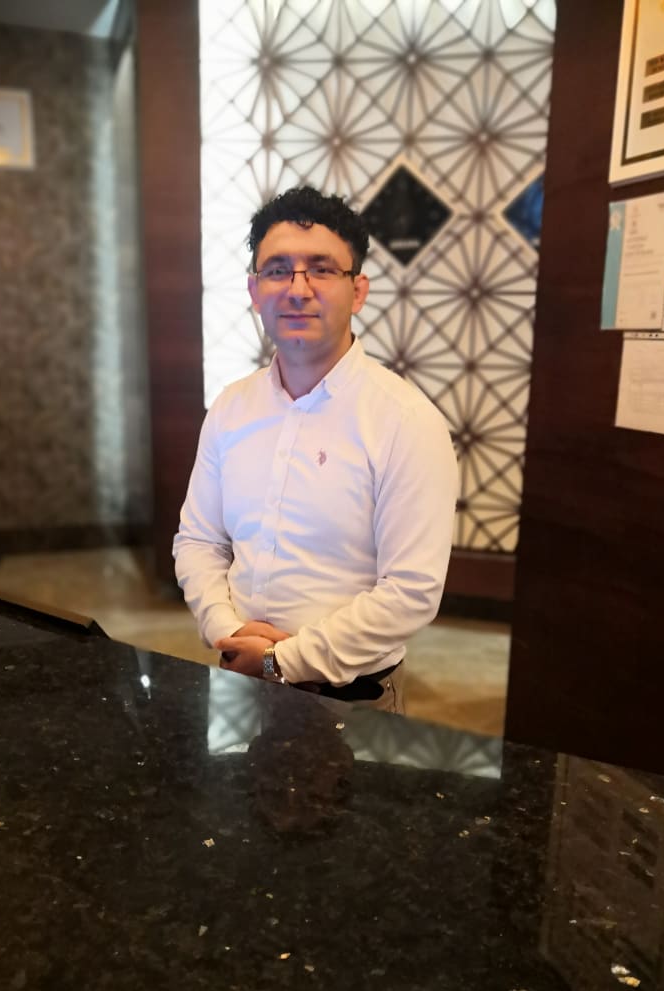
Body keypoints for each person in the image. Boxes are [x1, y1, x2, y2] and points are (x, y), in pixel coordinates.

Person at [173, 186, 457, 712]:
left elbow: (411, 590)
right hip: (239, 679)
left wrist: (283, 660)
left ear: (358, 290)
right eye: (278, 270)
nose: (297, 289)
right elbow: (198, 540)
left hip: (353, 700)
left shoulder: (406, 421)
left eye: (321, 269)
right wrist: (227, 631)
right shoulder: (232, 407)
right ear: (255, 290)